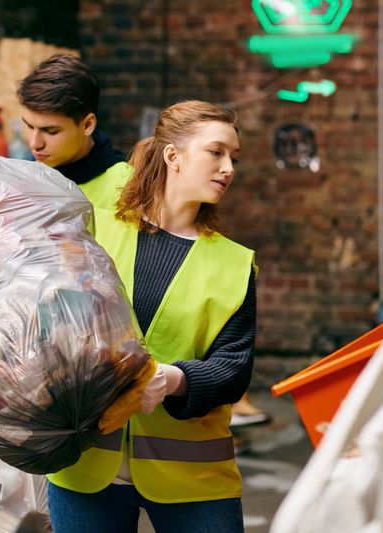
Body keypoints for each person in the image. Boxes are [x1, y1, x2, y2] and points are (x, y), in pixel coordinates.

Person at [45, 100, 257, 532]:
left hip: (193, 478)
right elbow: (49, 324)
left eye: (233, 157)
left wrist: (174, 380)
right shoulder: (94, 231)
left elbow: (234, 369)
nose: (228, 168)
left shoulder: (236, 264)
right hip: (85, 465)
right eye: (215, 152)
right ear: (172, 156)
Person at [17, 53, 130, 209]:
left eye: (51, 131)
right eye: (29, 126)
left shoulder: (128, 190)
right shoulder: (22, 181)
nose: (34, 143)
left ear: (87, 125)